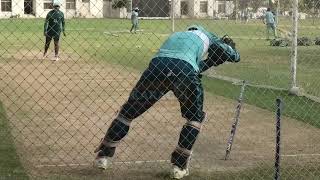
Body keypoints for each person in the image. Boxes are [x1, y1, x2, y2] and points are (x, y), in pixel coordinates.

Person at [94, 25, 240, 179]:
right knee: (194, 118)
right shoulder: (208, 36)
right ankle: (179, 166)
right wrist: (233, 53)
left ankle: (103, 156)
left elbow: (182, 63)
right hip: (184, 70)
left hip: (157, 66)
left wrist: (209, 62)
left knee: (127, 113)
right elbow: (225, 56)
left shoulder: (177, 35)